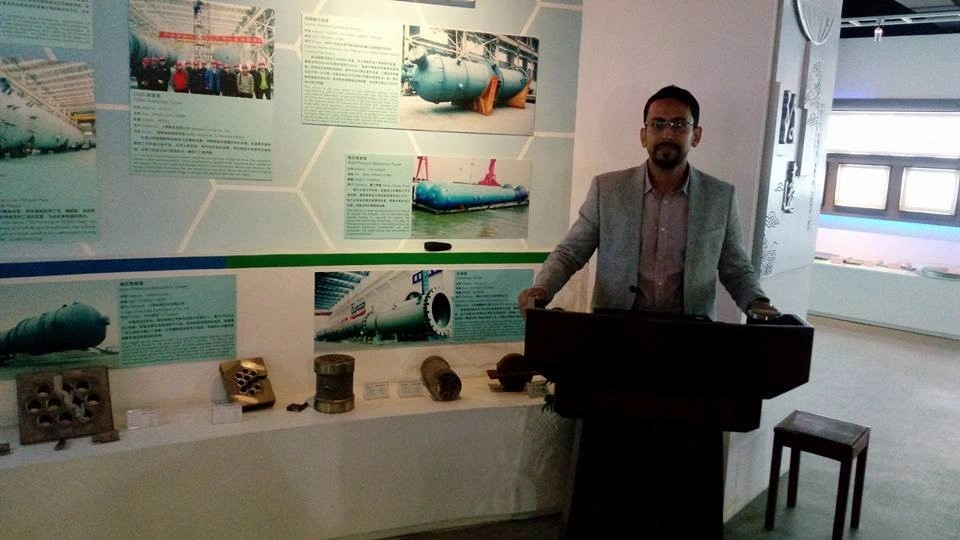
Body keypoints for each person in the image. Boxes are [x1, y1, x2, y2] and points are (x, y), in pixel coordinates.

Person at [517, 84, 778, 320]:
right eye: (657, 124)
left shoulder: (720, 197)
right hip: (617, 328)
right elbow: (571, 252)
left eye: (679, 125)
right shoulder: (607, 190)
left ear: (696, 135)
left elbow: (736, 268)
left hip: (691, 334)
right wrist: (543, 287)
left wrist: (758, 302)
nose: (667, 134)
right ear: (644, 135)